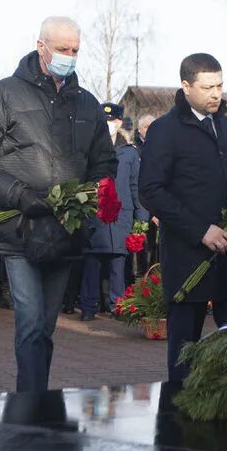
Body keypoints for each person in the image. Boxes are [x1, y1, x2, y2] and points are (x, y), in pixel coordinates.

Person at [0, 16, 117, 392]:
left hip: (66, 228)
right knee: (30, 323)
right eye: (62, 49)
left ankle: (39, 399)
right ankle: (30, 405)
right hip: (21, 227)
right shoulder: (5, 94)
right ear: (41, 46)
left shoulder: (87, 103)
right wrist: (17, 194)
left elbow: (104, 160)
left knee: (46, 326)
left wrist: (89, 196)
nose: (69, 56)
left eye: (75, 50)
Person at [139, 52, 227, 383]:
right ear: (186, 87)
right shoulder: (165, 130)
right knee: (184, 355)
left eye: (219, 85)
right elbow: (151, 190)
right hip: (189, 257)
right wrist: (200, 230)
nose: (216, 93)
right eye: (207, 87)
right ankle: (176, 423)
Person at [80, 103, 149, 321]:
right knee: (92, 264)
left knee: (118, 266)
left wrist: (141, 218)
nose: (107, 125)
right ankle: (89, 306)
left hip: (120, 217)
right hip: (95, 215)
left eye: (111, 121)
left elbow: (135, 186)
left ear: (118, 122)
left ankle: (117, 306)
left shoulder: (129, 153)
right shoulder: (88, 148)